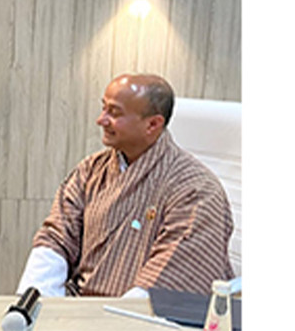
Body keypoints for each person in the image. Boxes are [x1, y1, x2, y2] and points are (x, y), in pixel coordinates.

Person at [17, 74, 234, 298]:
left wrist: (112, 319)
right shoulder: (91, 170)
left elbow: (173, 277)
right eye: (103, 108)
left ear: (152, 124)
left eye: (114, 112)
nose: (101, 120)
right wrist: (36, 303)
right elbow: (56, 236)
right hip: (79, 307)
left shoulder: (196, 190)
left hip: (141, 318)